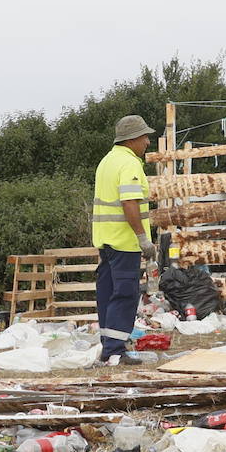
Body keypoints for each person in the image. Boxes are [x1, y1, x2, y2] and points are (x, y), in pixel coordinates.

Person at [92, 114, 156, 364]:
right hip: (124, 242)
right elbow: (129, 202)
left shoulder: (107, 161)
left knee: (107, 294)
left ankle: (108, 347)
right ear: (133, 139)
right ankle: (115, 351)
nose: (148, 142)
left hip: (106, 241)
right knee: (125, 294)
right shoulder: (129, 164)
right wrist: (143, 238)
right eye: (145, 137)